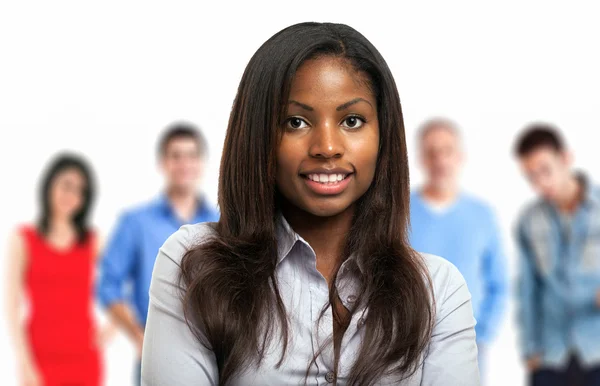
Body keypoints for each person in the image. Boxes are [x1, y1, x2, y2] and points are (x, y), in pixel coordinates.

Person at [141, 22, 479, 386]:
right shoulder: (193, 267)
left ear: (383, 136)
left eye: (352, 121)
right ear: (258, 136)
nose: (327, 146)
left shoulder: (438, 292)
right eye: (296, 122)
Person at [97, 122, 219, 385]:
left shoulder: (221, 224)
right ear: (164, 163)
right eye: (176, 156)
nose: (184, 163)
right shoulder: (135, 222)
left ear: (201, 163)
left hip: (215, 351)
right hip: (155, 351)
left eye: (191, 155)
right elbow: (108, 285)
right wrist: (136, 335)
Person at [409, 118, 508, 381]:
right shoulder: (399, 213)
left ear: (460, 156)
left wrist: (482, 336)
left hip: (467, 349)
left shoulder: (482, 215)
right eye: (432, 152)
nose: (440, 160)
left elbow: (500, 283)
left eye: (447, 151)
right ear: (422, 159)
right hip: (406, 349)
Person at [5, 153, 110, 386]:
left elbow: (122, 278)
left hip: (84, 358)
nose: (71, 196)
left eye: (80, 191)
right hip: (39, 359)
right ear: (49, 185)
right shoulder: (23, 239)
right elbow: (12, 306)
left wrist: (111, 329)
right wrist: (24, 361)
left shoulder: (93, 241)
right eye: (66, 186)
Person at [514, 123, 600, 386]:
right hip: (550, 355)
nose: (540, 183)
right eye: (531, 176)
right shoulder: (529, 220)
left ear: (565, 158)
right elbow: (527, 289)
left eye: (545, 171)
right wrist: (530, 349)